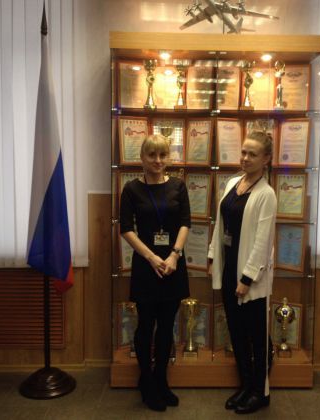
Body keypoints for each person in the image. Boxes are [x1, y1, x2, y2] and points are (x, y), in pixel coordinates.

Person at [119, 134, 191, 412]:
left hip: (172, 265)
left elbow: (185, 222)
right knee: (146, 324)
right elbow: (126, 229)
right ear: (142, 157)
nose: (158, 160)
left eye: (163, 155)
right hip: (146, 267)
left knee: (167, 325)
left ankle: (161, 379)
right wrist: (151, 257)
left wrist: (174, 255)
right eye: (152, 155)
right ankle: (147, 382)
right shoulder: (131, 189)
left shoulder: (178, 186)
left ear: (168, 158)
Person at [208, 131, 277, 414]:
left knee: (256, 337)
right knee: (236, 333)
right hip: (229, 269)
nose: (246, 158)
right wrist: (212, 255)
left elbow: (263, 241)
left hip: (250, 280)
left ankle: (260, 392)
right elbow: (220, 224)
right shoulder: (232, 183)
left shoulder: (266, 194)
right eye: (244, 152)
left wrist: (247, 278)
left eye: (253, 154)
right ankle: (246, 386)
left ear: (266, 159)